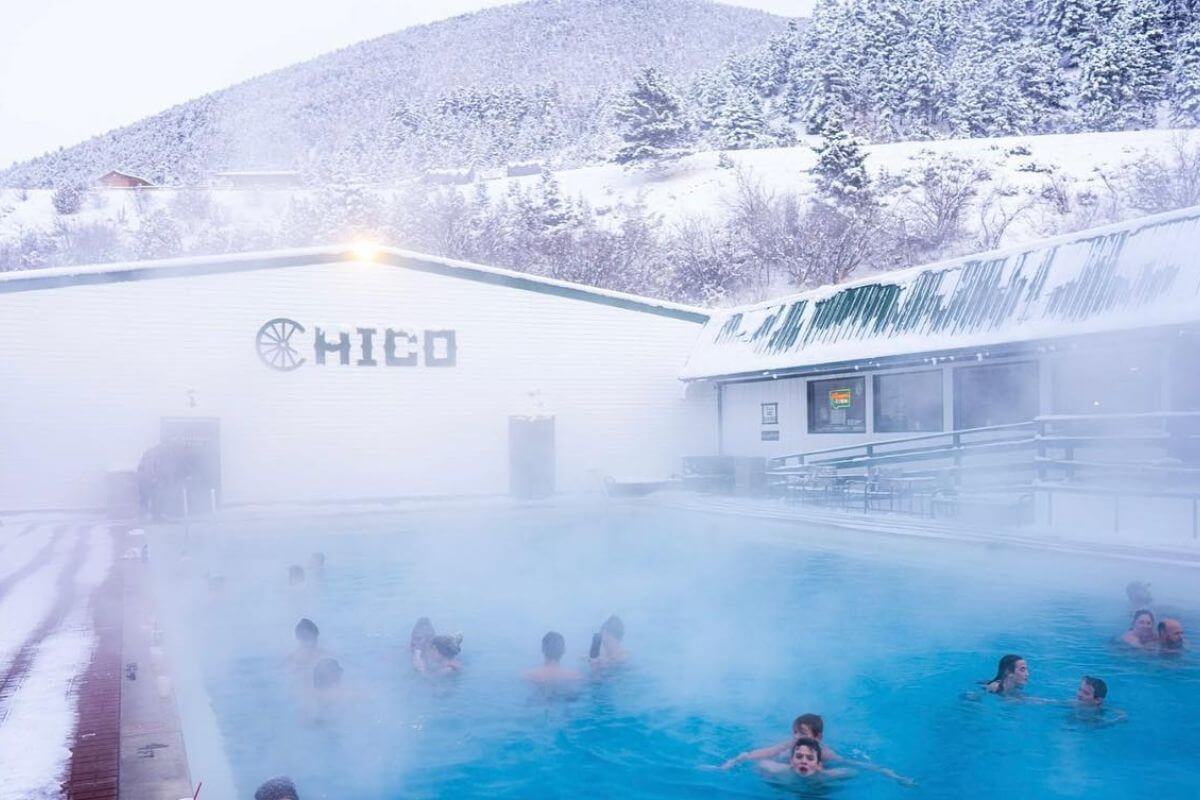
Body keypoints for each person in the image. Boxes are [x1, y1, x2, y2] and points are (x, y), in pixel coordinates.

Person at [722, 714, 913, 785]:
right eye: (795, 732)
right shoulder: (790, 745)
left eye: (802, 733)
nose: (797, 737)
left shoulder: (826, 754)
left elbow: (853, 764)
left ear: (818, 737)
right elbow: (763, 753)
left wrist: (891, 774)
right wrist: (737, 760)